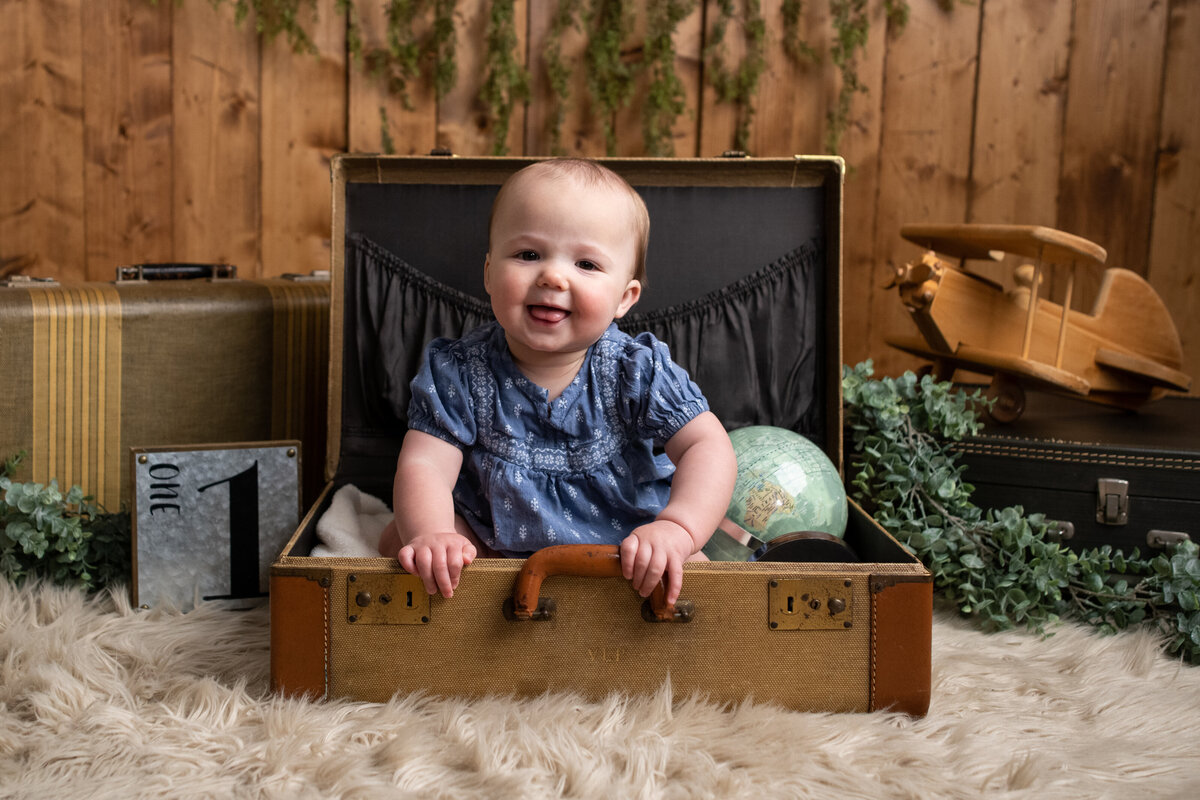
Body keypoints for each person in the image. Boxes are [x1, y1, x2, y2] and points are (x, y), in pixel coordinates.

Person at [378, 158, 736, 606]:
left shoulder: (636, 370)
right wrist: (430, 533)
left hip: (627, 548)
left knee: (701, 575)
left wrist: (678, 527)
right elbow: (426, 465)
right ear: (489, 273)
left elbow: (708, 446)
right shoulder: (459, 371)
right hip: (492, 552)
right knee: (405, 541)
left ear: (624, 298)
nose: (552, 276)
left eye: (586, 264)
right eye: (528, 255)